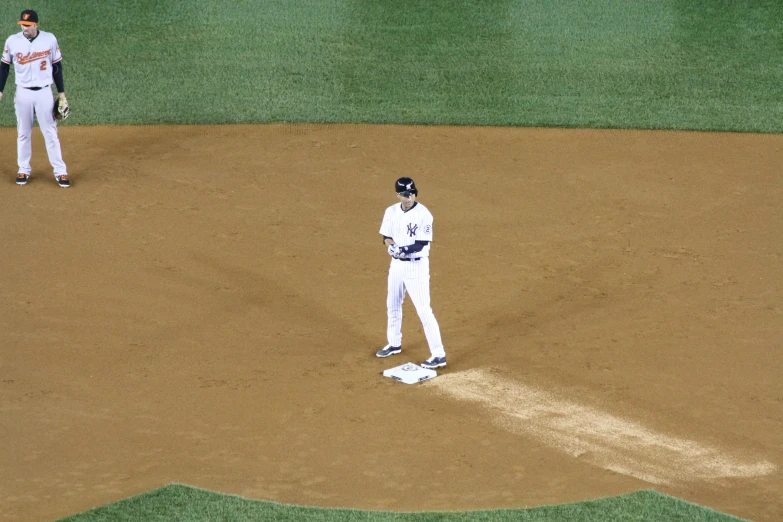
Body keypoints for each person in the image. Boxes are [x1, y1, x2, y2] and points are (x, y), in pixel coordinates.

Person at [376, 177, 447, 369]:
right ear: (398, 195)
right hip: (397, 266)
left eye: (412, 193)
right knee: (392, 304)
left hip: (416, 266)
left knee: (424, 310)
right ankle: (394, 343)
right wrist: (391, 247)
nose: (410, 197)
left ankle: (439, 354)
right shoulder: (391, 212)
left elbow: (422, 243)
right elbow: (387, 236)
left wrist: (403, 250)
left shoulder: (424, 214)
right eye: (406, 194)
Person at [0, 9, 70, 187]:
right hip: (22, 92)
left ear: (36, 24)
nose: (25, 28)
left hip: (44, 93)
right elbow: (4, 67)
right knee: (23, 133)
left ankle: (60, 172)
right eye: (23, 24)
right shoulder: (12, 41)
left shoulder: (49, 39)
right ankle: (23, 169)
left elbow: (57, 67)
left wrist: (61, 93)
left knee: (50, 133)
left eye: (29, 25)